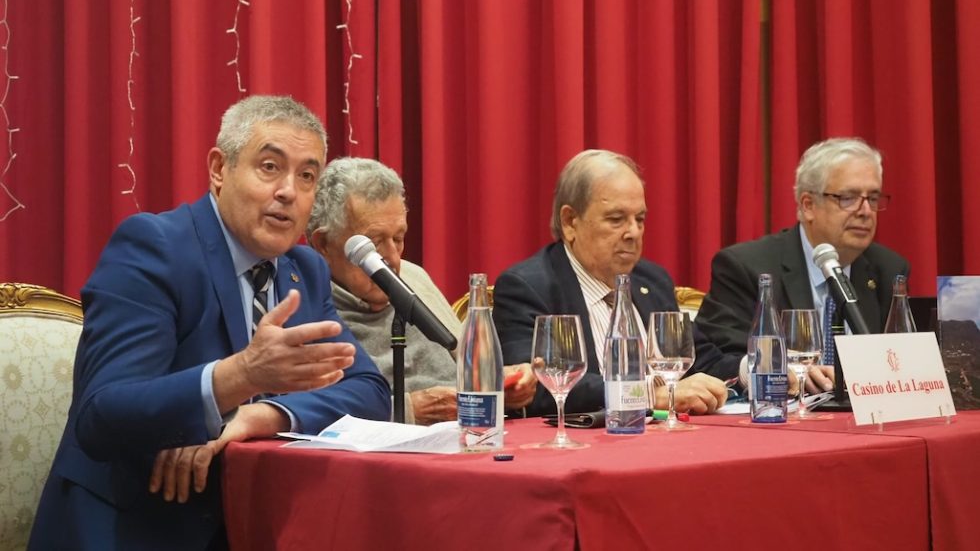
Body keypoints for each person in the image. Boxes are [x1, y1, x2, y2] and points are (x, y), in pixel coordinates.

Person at [29, 96, 390, 550]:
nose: (289, 192)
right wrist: (239, 377)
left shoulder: (304, 269)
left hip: (250, 523)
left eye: (306, 176)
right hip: (135, 527)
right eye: (269, 167)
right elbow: (102, 414)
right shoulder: (155, 247)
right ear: (220, 170)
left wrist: (256, 415)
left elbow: (370, 392)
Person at [493, 149, 739, 418]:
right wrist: (648, 394)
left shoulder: (653, 281)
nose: (633, 232)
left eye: (640, 219)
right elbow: (536, 387)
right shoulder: (528, 288)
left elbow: (704, 361)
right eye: (616, 219)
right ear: (570, 222)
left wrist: (755, 369)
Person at [306, 157, 536, 425]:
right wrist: (406, 411)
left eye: (398, 238)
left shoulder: (412, 276)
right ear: (324, 243)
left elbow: (468, 370)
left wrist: (502, 382)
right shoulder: (304, 305)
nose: (393, 259)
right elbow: (309, 415)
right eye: (374, 243)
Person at [696, 137, 909, 392]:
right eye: (848, 198)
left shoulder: (888, 269)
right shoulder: (747, 267)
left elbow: (902, 363)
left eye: (872, 198)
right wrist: (775, 369)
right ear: (808, 205)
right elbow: (715, 360)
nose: (865, 211)